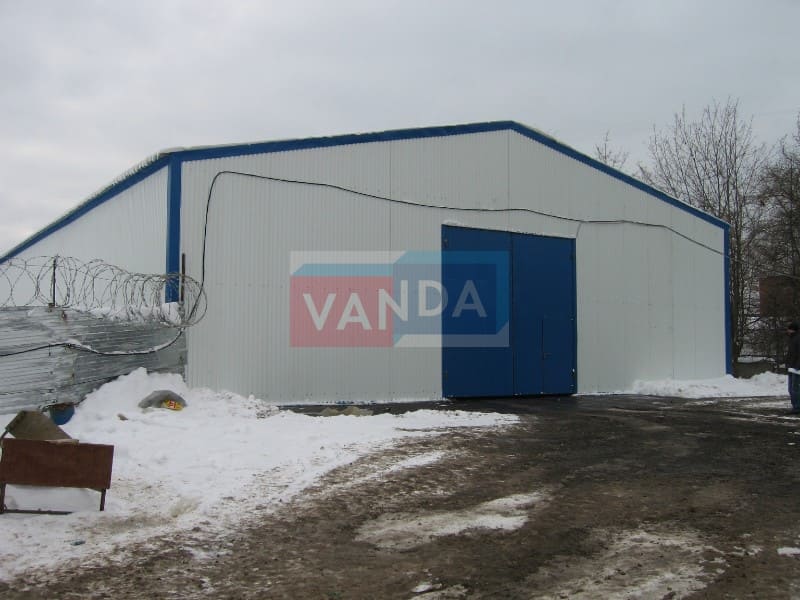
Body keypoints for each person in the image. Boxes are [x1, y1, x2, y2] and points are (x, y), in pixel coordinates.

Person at [786, 322, 800, 414]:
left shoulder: (797, 339)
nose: (787, 331)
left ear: (792, 329)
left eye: (788, 329)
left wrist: (797, 366)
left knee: (794, 388)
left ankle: (797, 407)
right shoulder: (792, 339)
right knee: (791, 388)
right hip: (792, 367)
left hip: (796, 368)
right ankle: (795, 406)